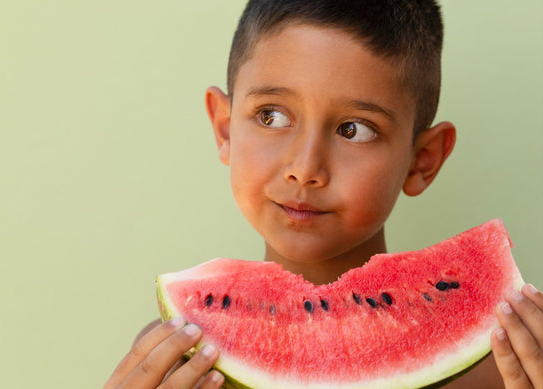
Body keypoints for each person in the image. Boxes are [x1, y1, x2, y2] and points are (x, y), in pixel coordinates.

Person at [104, 1, 543, 388]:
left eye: (354, 130)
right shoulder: (177, 361)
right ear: (224, 128)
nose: (305, 169)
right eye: (271, 116)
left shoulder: (504, 366)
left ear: (421, 160)